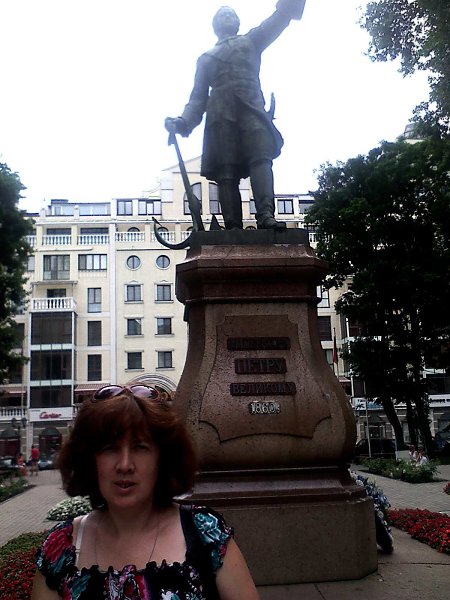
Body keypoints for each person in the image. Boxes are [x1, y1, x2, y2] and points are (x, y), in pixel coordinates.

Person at [31, 384, 259, 599]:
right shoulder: (61, 547)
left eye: (140, 447)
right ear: (90, 459)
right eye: (110, 448)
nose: (125, 465)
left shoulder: (206, 533)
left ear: (163, 458)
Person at [165, 1, 306, 231]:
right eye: (223, 15)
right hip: (220, 114)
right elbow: (197, 99)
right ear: (215, 25)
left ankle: (266, 215)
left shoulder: (251, 41)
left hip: (251, 108)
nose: (228, 17)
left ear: (238, 22)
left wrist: (290, 5)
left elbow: (277, 20)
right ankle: (232, 226)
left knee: (261, 158)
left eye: (231, 14)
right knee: (226, 171)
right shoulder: (206, 58)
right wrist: (182, 122)